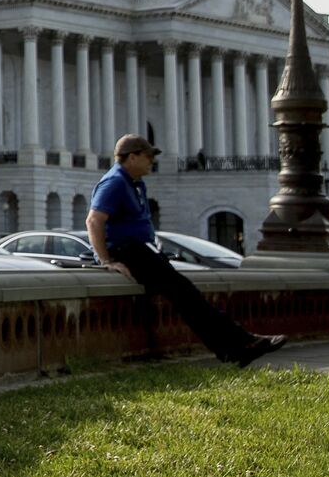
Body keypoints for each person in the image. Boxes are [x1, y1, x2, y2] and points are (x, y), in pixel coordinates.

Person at [86, 134, 284, 367]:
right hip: (128, 251)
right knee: (188, 297)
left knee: (188, 299)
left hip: (140, 250)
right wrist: (106, 260)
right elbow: (94, 220)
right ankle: (242, 344)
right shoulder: (115, 182)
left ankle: (234, 350)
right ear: (132, 157)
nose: (152, 161)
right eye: (148, 156)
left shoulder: (134, 182)